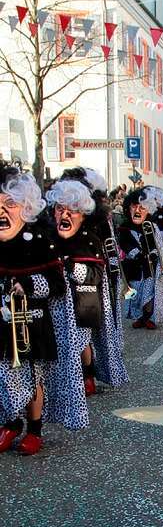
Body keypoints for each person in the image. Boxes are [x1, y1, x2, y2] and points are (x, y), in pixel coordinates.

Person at [0, 166, 65, 455]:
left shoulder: (39, 240)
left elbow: (57, 284)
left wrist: (27, 283)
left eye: (9, 205)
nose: (2, 213)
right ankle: (10, 423)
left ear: (26, 207)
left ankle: (34, 429)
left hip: (31, 323)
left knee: (32, 376)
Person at [46, 172, 128, 397]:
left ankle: (88, 376)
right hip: (56, 298)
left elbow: (95, 271)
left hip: (85, 297)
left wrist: (70, 268)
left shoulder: (90, 235)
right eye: (59, 208)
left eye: (70, 209)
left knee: (82, 339)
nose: (64, 214)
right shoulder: (49, 234)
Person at [118, 187, 163, 330]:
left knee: (149, 292)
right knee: (136, 294)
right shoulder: (124, 227)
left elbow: (158, 244)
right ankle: (140, 317)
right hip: (133, 266)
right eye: (135, 206)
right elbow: (124, 243)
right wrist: (136, 253)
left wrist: (153, 253)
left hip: (150, 267)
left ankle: (149, 317)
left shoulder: (152, 226)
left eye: (142, 207)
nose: (138, 210)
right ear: (128, 208)